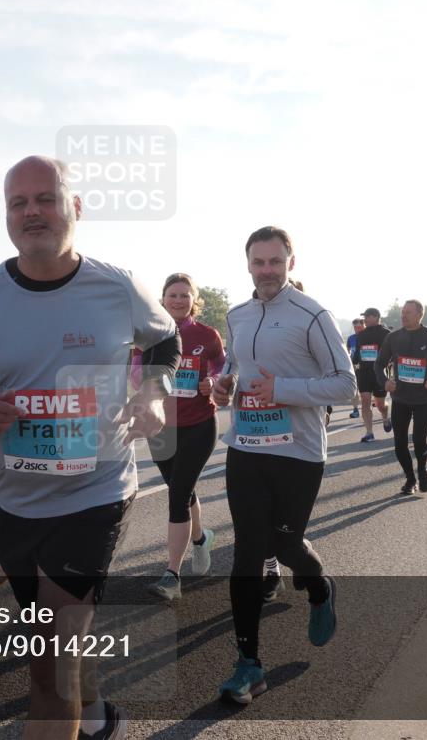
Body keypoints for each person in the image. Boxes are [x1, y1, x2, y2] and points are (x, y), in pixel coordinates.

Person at [0, 155, 179, 740]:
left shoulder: (117, 286)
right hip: (15, 501)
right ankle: (95, 717)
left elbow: (165, 341)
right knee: (61, 640)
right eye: (19, 203)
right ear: (7, 216)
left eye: (46, 199)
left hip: (97, 491)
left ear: (76, 208)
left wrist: (154, 391)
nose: (32, 212)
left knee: (48, 659)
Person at [211, 225, 355, 704]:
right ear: (248, 264)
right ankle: (248, 664)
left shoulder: (313, 316)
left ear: (291, 262)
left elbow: (345, 385)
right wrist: (222, 383)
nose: (267, 271)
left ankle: (318, 587)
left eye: (275, 262)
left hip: (297, 453)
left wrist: (283, 390)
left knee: (284, 542)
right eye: (258, 262)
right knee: (248, 551)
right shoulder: (237, 315)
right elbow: (234, 365)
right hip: (247, 446)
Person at [144, 272, 224, 601]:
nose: (178, 300)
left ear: (194, 300)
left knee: (177, 495)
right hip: (160, 428)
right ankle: (201, 538)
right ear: (162, 298)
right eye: (172, 294)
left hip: (199, 425)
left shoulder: (207, 334)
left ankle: (171, 576)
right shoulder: (150, 334)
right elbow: (136, 370)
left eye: (185, 295)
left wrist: (214, 382)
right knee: (182, 489)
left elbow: (222, 366)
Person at [374, 300, 427, 494]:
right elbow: (379, 364)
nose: (403, 315)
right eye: (402, 312)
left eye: (408, 312)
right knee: (399, 443)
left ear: (419, 315)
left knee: (419, 440)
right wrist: (385, 382)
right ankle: (410, 479)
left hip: (423, 398)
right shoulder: (393, 337)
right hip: (400, 398)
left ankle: (422, 468)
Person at [352, 308, 392, 442]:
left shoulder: (386, 333)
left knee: (380, 404)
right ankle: (369, 432)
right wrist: (355, 360)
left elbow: (392, 352)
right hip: (363, 372)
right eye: (364, 317)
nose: (365, 319)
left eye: (367, 316)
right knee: (365, 400)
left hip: (379, 372)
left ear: (376, 317)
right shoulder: (361, 334)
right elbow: (357, 353)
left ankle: (385, 417)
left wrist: (387, 361)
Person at [345, 319, 364, 419]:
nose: (357, 329)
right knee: (354, 389)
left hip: (366, 367)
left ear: (363, 326)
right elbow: (348, 352)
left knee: (365, 391)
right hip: (354, 367)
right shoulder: (350, 338)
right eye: (355, 327)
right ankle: (355, 409)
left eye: (359, 327)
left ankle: (370, 407)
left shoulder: (367, 337)